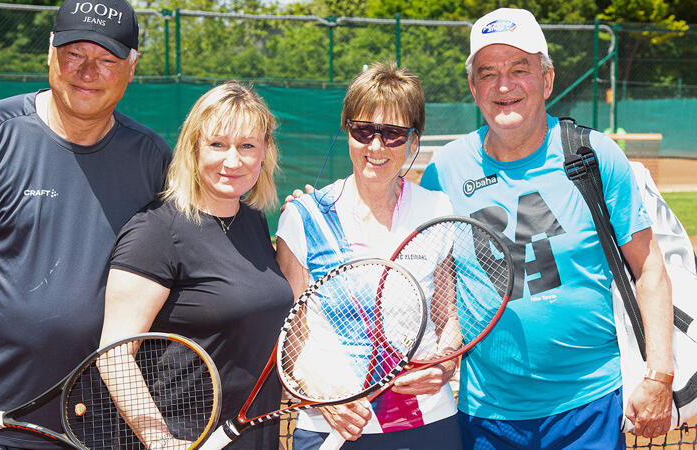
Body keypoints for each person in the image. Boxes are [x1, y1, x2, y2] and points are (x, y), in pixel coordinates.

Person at [0, 0, 172, 447]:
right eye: (74, 54)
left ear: (132, 66)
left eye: (106, 59)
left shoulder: (153, 158)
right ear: (50, 53)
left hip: (104, 427)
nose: (88, 71)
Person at [419, 8, 674, 448]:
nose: (504, 85)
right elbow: (432, 277)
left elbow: (649, 268)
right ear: (473, 89)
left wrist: (660, 374)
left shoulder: (594, 155)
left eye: (520, 69)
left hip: (590, 405)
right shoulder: (443, 171)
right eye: (488, 73)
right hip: (487, 415)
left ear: (547, 79)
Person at [276, 62, 462, 450]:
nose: (375, 147)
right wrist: (323, 395)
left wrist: (444, 364)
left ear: (412, 140)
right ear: (347, 132)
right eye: (363, 131)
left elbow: (447, 316)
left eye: (392, 134)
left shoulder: (437, 209)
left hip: (427, 422)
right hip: (330, 424)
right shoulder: (305, 216)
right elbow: (289, 337)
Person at [98, 81, 293, 449]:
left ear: (265, 151)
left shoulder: (252, 221)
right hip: (182, 439)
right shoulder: (156, 230)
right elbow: (114, 355)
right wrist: (159, 440)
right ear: (193, 147)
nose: (232, 161)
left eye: (247, 146)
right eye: (217, 144)